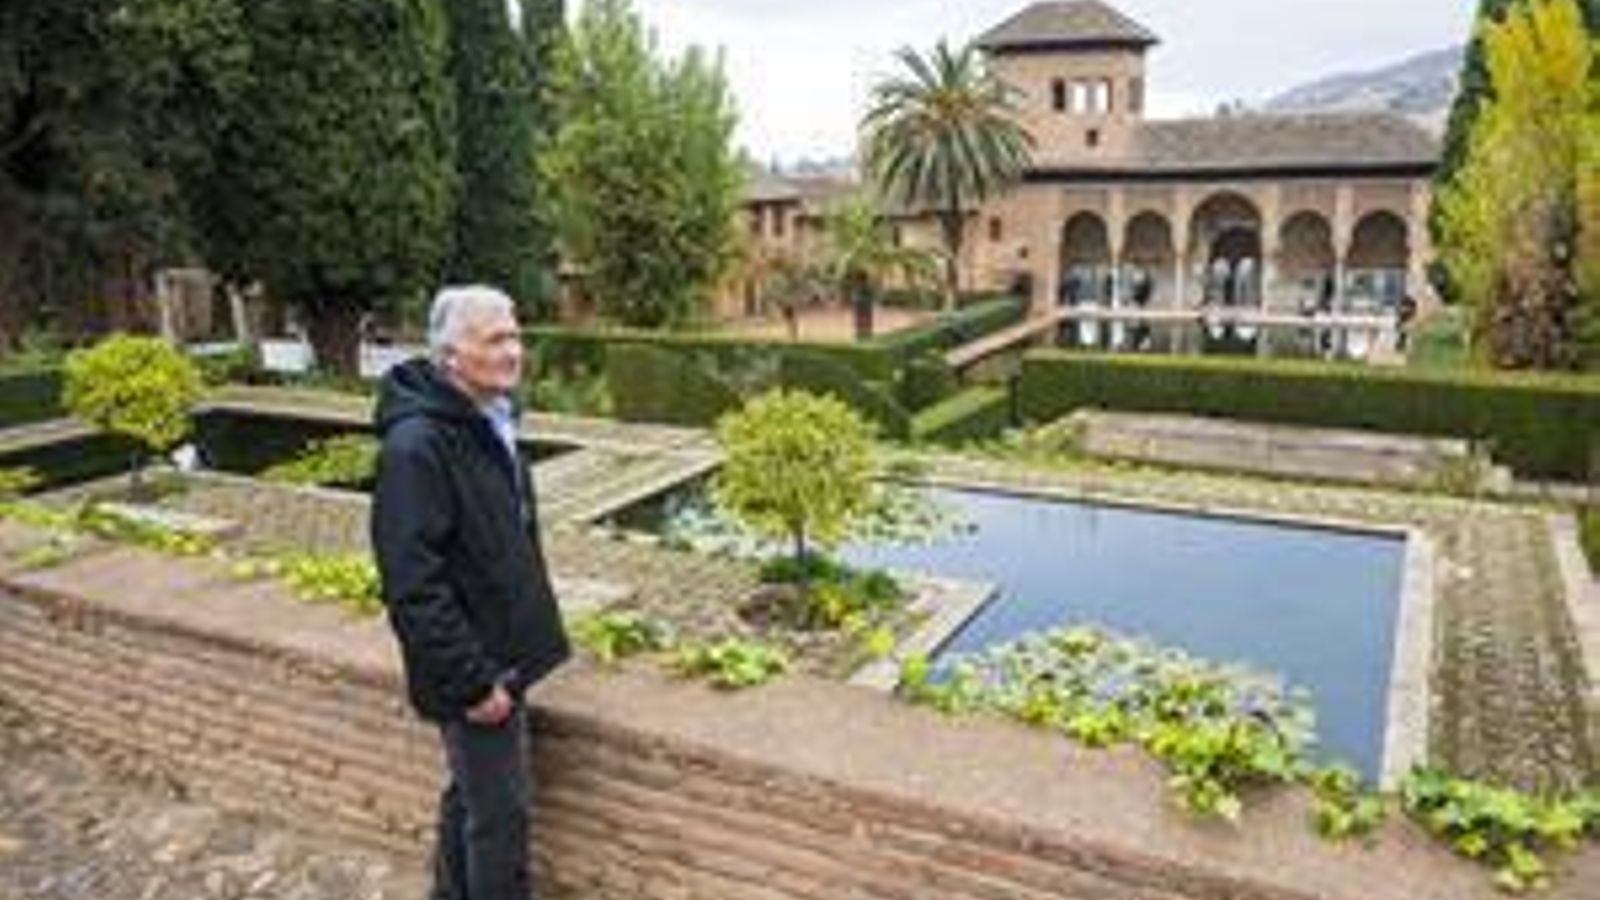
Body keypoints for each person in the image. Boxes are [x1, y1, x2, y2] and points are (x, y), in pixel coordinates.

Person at [370, 285, 571, 900]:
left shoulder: (491, 417)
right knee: (501, 819)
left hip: (502, 655)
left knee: (471, 795)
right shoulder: (417, 447)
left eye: (516, 336)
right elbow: (412, 587)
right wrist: (473, 682)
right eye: (496, 339)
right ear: (451, 355)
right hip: (477, 670)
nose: (514, 351)